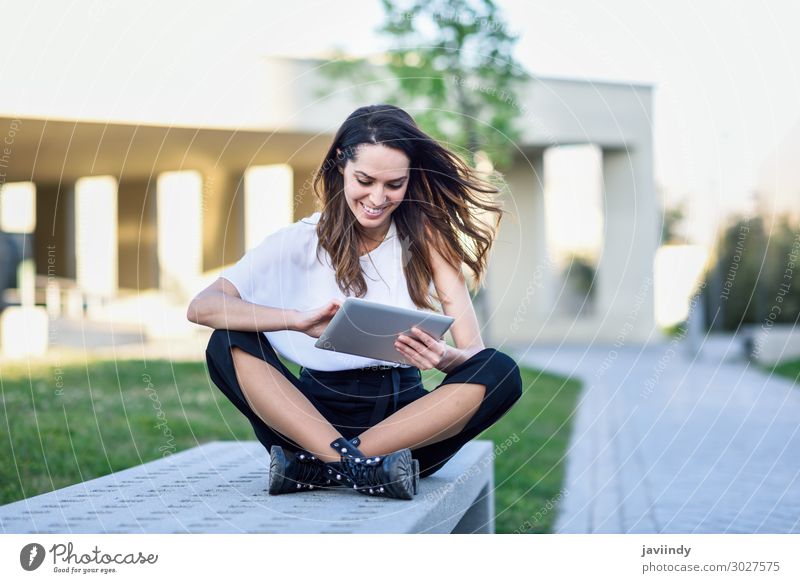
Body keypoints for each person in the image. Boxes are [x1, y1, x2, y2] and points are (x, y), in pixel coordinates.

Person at [188, 104, 523, 500]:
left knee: (501, 371)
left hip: (404, 426)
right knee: (227, 339)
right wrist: (293, 321)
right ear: (339, 166)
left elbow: (473, 354)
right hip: (310, 420)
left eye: (394, 184)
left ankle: (321, 469)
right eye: (365, 180)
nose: (378, 197)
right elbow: (202, 307)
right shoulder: (298, 240)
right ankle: (356, 466)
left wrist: (442, 357)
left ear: (410, 180)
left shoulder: (430, 241)